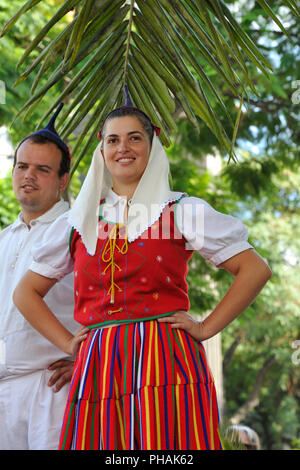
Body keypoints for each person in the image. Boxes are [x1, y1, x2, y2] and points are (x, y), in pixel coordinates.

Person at [13, 89, 272, 450]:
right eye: (113, 140)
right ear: (101, 151)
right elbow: (25, 293)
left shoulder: (182, 210)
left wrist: (205, 327)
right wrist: (70, 343)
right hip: (99, 363)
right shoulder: (78, 221)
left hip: (166, 358)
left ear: (152, 148)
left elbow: (254, 269)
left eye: (135, 138)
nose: (124, 148)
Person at [0, 104, 79, 450]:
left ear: (63, 180)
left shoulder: (82, 231)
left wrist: (85, 357)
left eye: (42, 169)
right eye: (22, 166)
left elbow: (117, 304)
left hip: (53, 389)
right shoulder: (3, 239)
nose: (28, 175)